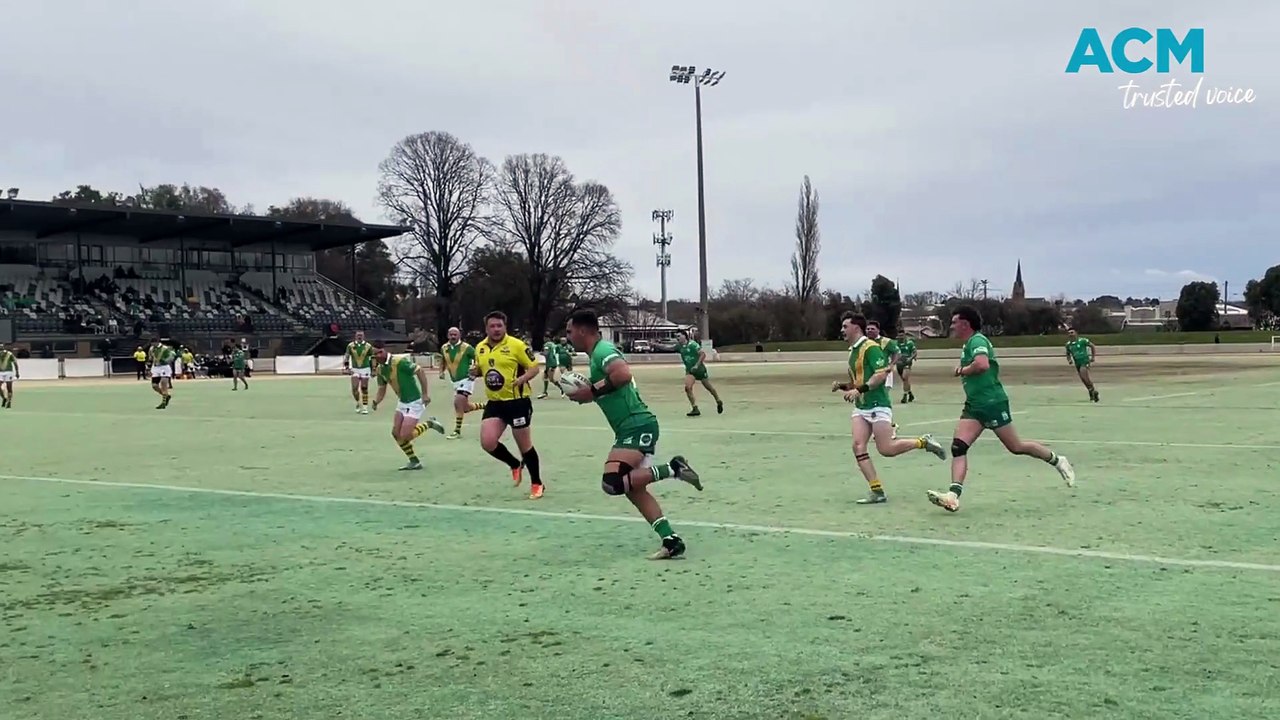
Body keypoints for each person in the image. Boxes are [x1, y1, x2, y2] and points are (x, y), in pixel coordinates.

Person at [564, 309, 703, 559]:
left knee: (612, 482)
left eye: (569, 331)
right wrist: (589, 393)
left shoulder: (603, 351)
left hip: (636, 425)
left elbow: (623, 375)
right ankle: (671, 540)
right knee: (633, 487)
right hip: (630, 427)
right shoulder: (597, 355)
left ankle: (674, 468)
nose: (567, 336)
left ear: (583, 331)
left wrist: (592, 391)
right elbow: (610, 386)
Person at [926, 305, 1076, 512]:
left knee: (1016, 447)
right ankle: (953, 496)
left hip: (992, 402)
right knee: (958, 447)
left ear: (965, 324)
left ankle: (1058, 461)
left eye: (954, 322)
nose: (951, 326)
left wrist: (961, 370)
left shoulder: (977, 341)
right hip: (974, 405)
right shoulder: (969, 343)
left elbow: (982, 364)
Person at [831, 313, 945, 504]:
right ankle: (877, 491)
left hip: (878, 405)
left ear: (856, 328)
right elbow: (857, 382)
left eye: (845, 326)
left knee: (886, 449)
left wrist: (859, 390)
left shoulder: (871, 348)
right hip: (861, 407)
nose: (842, 330)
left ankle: (923, 442)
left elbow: (880, 376)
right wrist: (843, 387)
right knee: (858, 446)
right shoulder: (853, 351)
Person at [472, 311, 545, 498]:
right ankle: (514, 464)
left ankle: (537, 483)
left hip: (517, 402)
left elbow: (534, 368)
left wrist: (522, 379)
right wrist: (475, 372)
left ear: (505, 327)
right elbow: (482, 369)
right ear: (486, 328)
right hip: (495, 402)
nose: (496, 329)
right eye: (492, 326)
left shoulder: (517, 345)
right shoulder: (480, 348)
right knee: (487, 442)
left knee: (524, 445)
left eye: (499, 326)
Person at [371, 342, 445, 470]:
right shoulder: (380, 369)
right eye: (375, 354)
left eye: (379, 352)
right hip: (402, 402)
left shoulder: (399, 362)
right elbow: (382, 388)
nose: (377, 355)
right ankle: (414, 461)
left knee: (405, 435)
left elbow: (420, 371)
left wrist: (425, 394)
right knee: (395, 433)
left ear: (384, 351)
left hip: (415, 401)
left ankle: (429, 424)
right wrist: (376, 401)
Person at [437, 327, 484, 438]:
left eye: (455, 334)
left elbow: (478, 359)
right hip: (455, 381)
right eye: (451, 334)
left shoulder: (467, 348)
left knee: (458, 402)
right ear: (448, 335)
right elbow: (443, 360)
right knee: (465, 407)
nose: (453, 336)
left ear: (459, 335)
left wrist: (475, 371)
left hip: (466, 379)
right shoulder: (444, 348)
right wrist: (441, 371)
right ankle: (486, 406)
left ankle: (457, 431)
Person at [676, 330, 723, 417]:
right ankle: (695, 408)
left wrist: (697, 365)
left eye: (679, 336)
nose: (677, 338)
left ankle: (718, 400)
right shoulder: (679, 346)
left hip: (699, 369)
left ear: (684, 336)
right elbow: (668, 347)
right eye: (676, 336)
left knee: (709, 387)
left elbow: (703, 354)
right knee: (688, 388)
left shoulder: (693, 344)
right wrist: (656, 345)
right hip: (690, 370)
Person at [865, 321, 901, 436]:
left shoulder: (886, 342)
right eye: (868, 329)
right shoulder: (864, 342)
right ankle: (877, 426)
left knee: (882, 399)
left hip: (884, 374)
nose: (870, 331)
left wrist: (891, 365)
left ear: (878, 330)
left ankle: (890, 427)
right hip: (870, 375)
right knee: (872, 400)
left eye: (872, 329)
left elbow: (897, 352)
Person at [344, 331, 375, 414]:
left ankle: (365, 407)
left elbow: (372, 358)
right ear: (355, 336)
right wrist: (347, 367)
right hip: (355, 369)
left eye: (361, 335)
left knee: (364, 388)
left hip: (365, 368)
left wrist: (374, 369)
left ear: (364, 336)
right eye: (358, 335)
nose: (359, 337)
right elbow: (347, 356)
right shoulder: (350, 346)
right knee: (354, 388)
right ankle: (358, 402)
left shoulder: (368, 346)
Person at [1065, 329, 1099, 402]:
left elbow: (1092, 346)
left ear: (1076, 333)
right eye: (1069, 333)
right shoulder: (1068, 344)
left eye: (1072, 332)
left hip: (1084, 361)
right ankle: (1091, 392)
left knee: (1084, 376)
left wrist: (1093, 357)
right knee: (1083, 379)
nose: (1070, 334)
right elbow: (1068, 353)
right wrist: (1069, 359)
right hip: (1077, 363)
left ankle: (1093, 391)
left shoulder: (1082, 341)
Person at [148, 339, 176, 409]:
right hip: (156, 368)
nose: (152, 345)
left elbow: (172, 355)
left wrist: (165, 360)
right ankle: (166, 396)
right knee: (154, 386)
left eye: (153, 343)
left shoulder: (165, 348)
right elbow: (150, 357)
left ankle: (163, 403)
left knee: (164, 385)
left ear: (157, 342)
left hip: (164, 367)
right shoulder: (152, 349)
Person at [895, 330, 918, 403]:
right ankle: (910, 394)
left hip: (907, 363)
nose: (901, 337)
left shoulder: (909, 343)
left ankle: (905, 396)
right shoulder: (895, 344)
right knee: (905, 381)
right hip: (899, 364)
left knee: (905, 378)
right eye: (899, 336)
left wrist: (910, 358)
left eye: (902, 335)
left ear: (905, 335)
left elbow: (914, 352)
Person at [0, 344, 18, 409]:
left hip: (8, 372)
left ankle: (9, 401)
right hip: (0, 372)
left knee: (9, 387)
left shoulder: (9, 354)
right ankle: (4, 398)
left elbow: (15, 362)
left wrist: (17, 372)